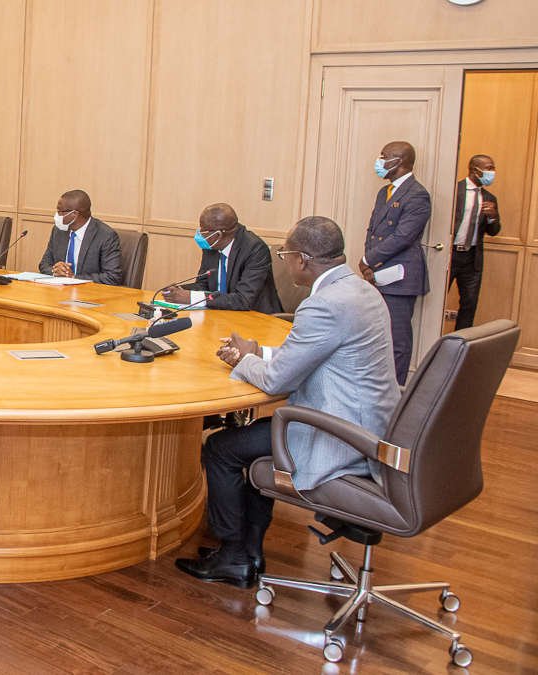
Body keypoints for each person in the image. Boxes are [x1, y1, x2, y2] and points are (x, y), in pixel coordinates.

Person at [174, 216, 399, 588]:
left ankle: (233, 556)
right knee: (251, 443)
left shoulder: (323, 305)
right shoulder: (360, 292)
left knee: (221, 448)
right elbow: (313, 352)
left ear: (304, 259)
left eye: (286, 254)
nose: (284, 261)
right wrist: (258, 350)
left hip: (338, 436)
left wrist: (240, 360)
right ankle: (250, 552)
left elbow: (280, 378)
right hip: (369, 425)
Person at [360, 140, 431, 385]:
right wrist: (368, 265)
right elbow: (373, 230)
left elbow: (403, 236)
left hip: (400, 278)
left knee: (397, 341)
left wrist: (369, 259)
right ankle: (377, 386)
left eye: (384, 156)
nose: (379, 162)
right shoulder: (385, 192)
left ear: (398, 161)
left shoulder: (417, 194)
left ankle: (396, 393)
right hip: (377, 274)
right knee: (377, 335)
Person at [162, 203, 282, 312]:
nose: (200, 235)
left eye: (203, 231)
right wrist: (180, 291)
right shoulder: (212, 245)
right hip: (221, 313)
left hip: (256, 319)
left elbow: (243, 300)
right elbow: (204, 285)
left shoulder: (255, 249)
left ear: (218, 235)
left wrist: (191, 297)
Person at [448, 154, 501, 331]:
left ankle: (459, 346)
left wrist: (493, 217)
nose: (492, 173)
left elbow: (493, 232)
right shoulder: (455, 190)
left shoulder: (490, 198)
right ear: (474, 169)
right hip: (450, 255)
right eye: (489, 168)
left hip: (472, 259)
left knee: (469, 306)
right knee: (436, 301)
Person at [37, 189, 122, 284]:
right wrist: (55, 271)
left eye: (60, 211)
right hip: (58, 291)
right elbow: (44, 264)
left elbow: (112, 277)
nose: (56, 215)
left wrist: (73, 277)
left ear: (74, 214)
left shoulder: (106, 236)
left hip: (90, 294)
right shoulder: (58, 231)